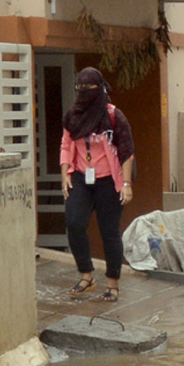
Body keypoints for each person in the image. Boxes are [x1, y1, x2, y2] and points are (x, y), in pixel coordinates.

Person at [59, 67, 135, 303]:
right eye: (80, 88)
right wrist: (65, 175)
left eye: (89, 89)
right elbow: (65, 145)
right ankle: (87, 275)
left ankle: (112, 284)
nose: (84, 93)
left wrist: (126, 183)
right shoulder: (73, 116)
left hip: (108, 180)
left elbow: (127, 151)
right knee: (74, 222)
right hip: (81, 177)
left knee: (109, 231)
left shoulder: (113, 116)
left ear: (100, 89)